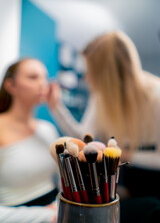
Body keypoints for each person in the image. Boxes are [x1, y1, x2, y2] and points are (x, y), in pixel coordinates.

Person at [47, 31, 160, 223]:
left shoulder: (156, 97)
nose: (86, 78)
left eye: (90, 70)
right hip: (126, 182)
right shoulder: (101, 99)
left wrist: (124, 155)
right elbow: (83, 138)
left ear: (105, 72)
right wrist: (55, 106)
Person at [0, 58, 59, 223]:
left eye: (44, 77)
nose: (43, 83)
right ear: (11, 86)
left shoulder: (48, 129)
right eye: (33, 77)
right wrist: (49, 216)